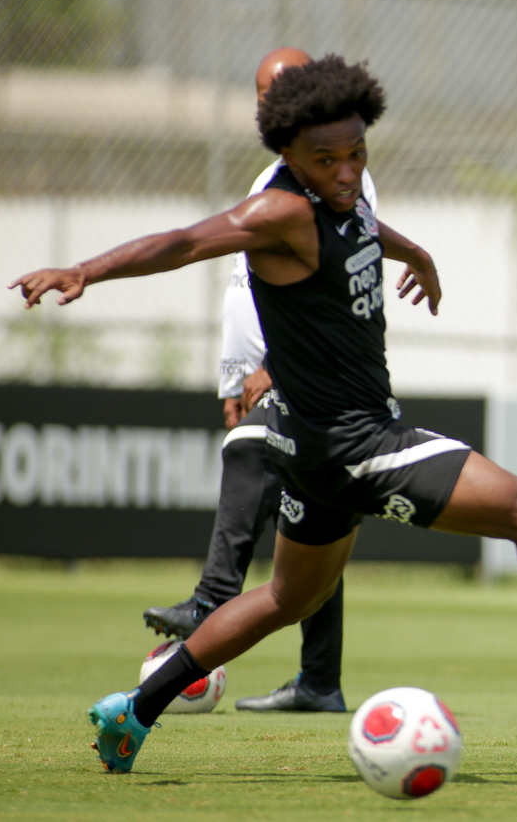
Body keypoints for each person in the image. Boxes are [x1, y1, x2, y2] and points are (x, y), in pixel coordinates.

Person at [10, 54, 517, 773]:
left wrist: (417, 254)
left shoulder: (344, 198)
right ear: (287, 153)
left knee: (287, 598)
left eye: (357, 154)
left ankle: (132, 710)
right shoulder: (279, 210)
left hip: (322, 449)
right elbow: (187, 241)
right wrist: (86, 271)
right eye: (327, 160)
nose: (347, 171)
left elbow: (368, 229)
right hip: (356, 441)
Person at [141, 46, 370, 714]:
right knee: (316, 523)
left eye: (288, 88)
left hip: (306, 378)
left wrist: (272, 369)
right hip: (262, 375)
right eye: (266, 92)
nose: (276, 101)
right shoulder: (274, 177)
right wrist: (231, 374)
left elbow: (338, 275)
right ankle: (320, 679)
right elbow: (247, 288)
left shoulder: (331, 170)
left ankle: (213, 599)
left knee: (250, 455)